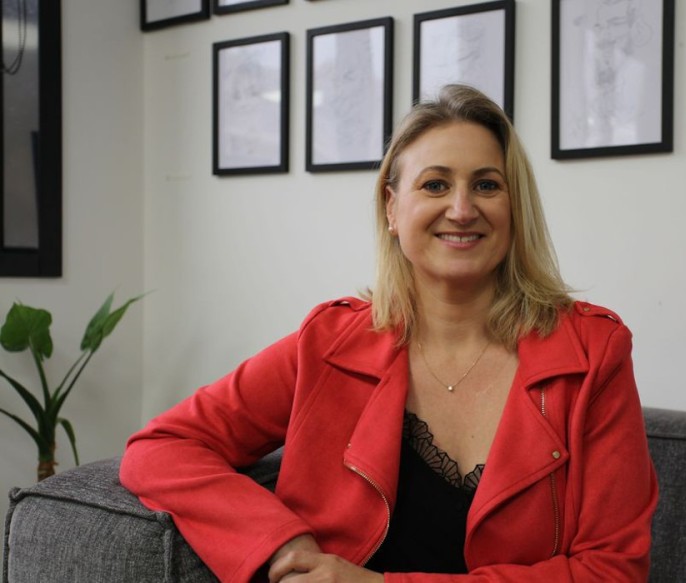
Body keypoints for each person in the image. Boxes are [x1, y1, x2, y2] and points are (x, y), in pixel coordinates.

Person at [120, 84, 658, 583]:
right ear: (392, 208)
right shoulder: (328, 343)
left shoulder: (592, 352)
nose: (462, 209)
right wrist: (281, 543)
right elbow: (163, 447)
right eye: (435, 184)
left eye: (487, 185)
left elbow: (614, 571)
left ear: (514, 206)